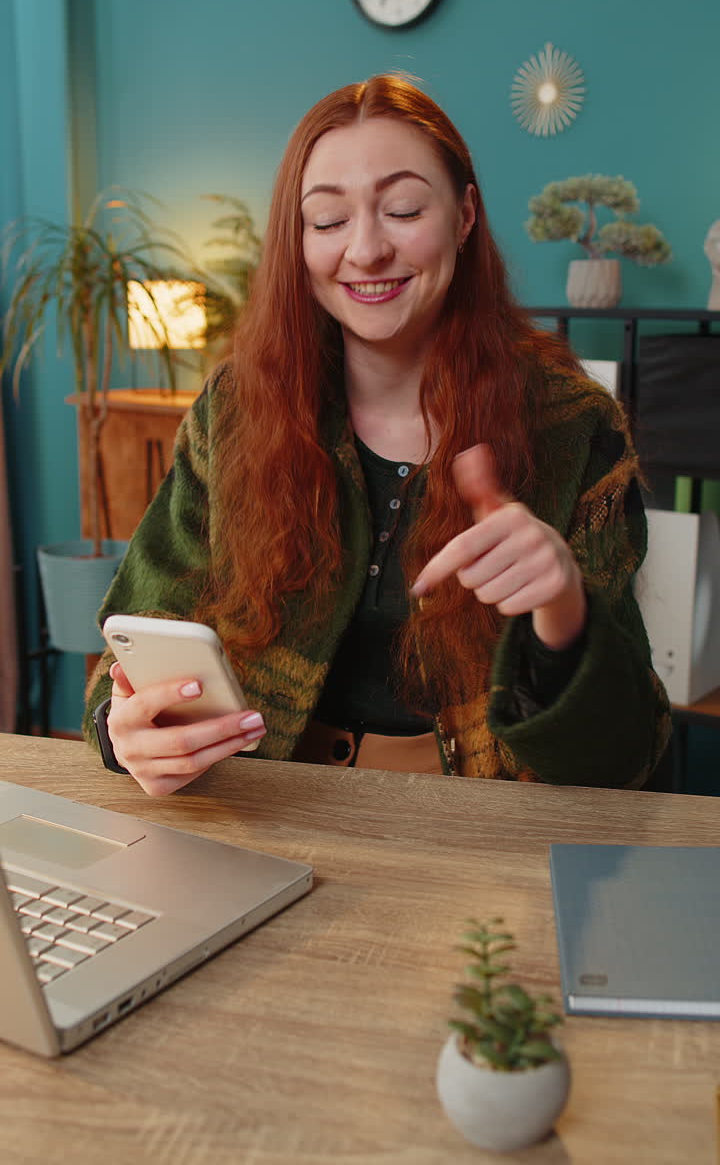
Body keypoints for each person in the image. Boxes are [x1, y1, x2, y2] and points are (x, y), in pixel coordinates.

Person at [84, 74, 671, 796]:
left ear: (463, 216)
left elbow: (628, 756)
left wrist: (563, 610)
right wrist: (126, 731)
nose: (364, 250)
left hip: (485, 828)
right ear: (297, 243)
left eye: (400, 209)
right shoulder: (234, 411)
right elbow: (137, 636)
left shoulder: (573, 426)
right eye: (327, 222)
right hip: (264, 804)